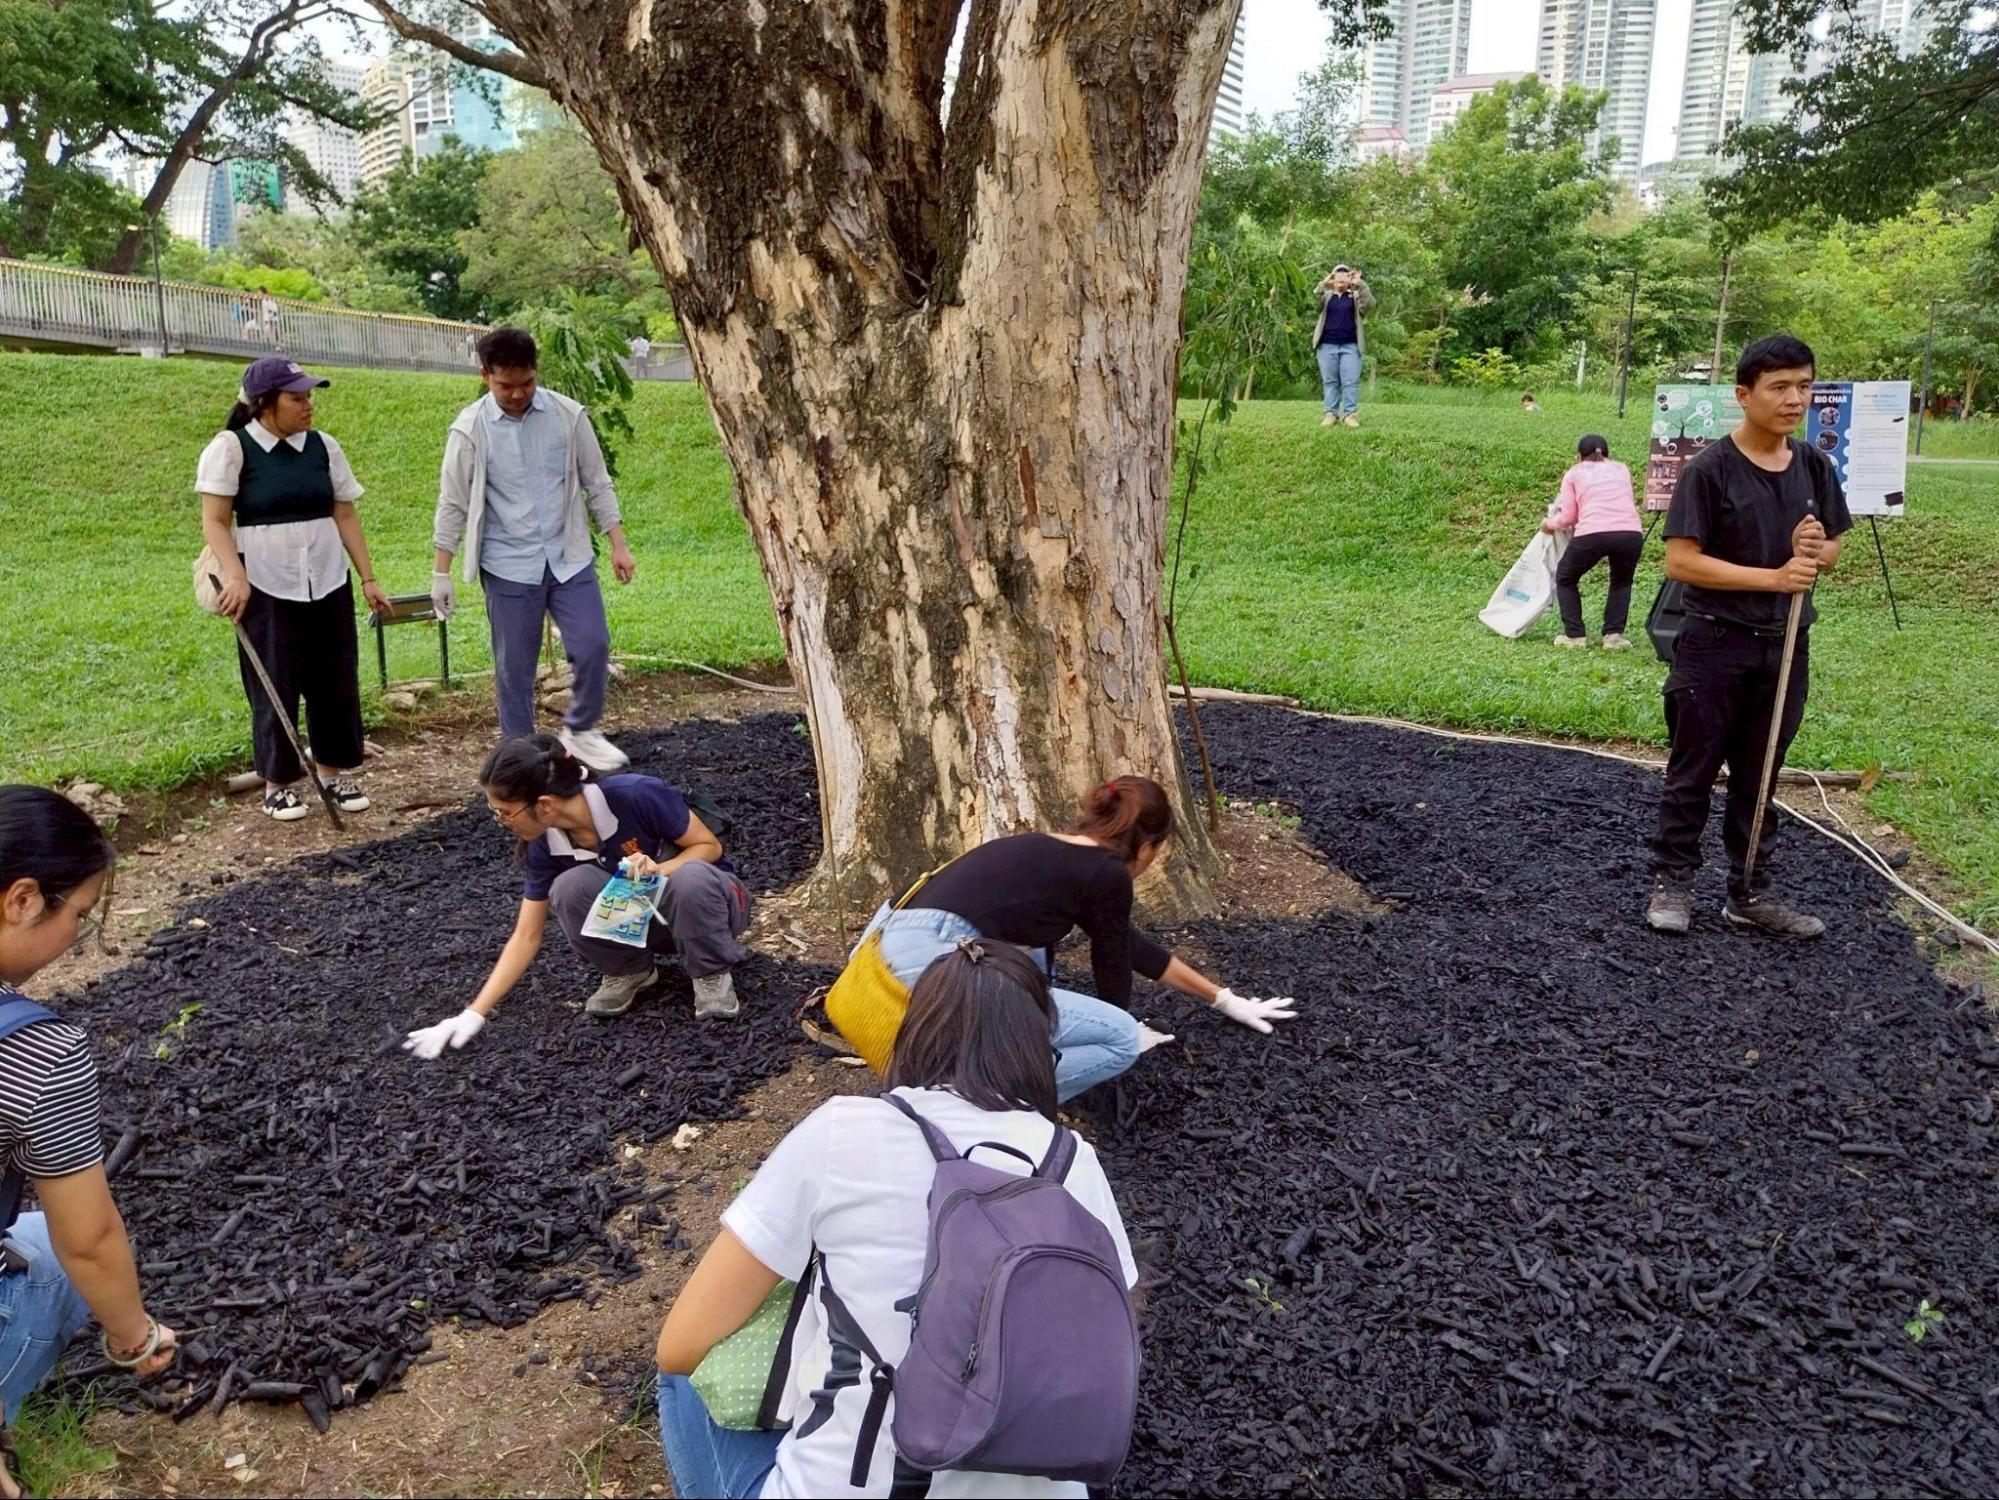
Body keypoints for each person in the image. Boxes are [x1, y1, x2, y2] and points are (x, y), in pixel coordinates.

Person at [654, 941, 1139, 1499]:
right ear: (1038, 1048)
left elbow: (681, 1346)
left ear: (911, 1036)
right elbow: (1112, 1330)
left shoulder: (842, 1131)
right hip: (1049, 1472)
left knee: (679, 1379)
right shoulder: (1073, 1158)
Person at [849, 776, 1296, 1101]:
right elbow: (1113, 966)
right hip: (930, 958)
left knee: (1037, 960)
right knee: (1116, 1040)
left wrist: (1222, 998)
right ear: (1147, 846)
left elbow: (1129, 944)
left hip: (884, 943)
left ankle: (964, 1070)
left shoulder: (1048, 851)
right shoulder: (1107, 874)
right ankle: (981, 1104)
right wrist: (1127, 1025)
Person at [0, 787, 177, 1493]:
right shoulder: (36, 1049)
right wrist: (135, 1338)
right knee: (60, 1267)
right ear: (20, 899)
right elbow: (91, 1240)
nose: (76, 935)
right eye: (78, 914)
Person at [1648, 334, 1850, 940]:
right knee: (1695, 766)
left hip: (1785, 643)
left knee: (1762, 771)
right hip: (1715, 641)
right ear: (1744, 395)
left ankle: (1749, 892)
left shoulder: (1814, 464)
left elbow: (1832, 545)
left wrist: (1818, 554)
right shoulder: (1709, 471)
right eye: (1780, 387)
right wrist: (1775, 576)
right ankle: (1674, 882)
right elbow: (1681, 563)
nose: (1795, 399)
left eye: (1805, 386)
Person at [403, 735, 752, 1058]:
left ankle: (710, 973)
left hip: (712, 907)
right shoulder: (545, 842)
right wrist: (473, 1013)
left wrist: (661, 868)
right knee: (569, 887)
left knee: (689, 878)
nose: (502, 821)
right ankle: (630, 970)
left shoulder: (635, 795)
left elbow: (709, 846)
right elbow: (526, 935)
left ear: (544, 804)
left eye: (505, 812)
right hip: (650, 920)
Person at [431, 327, 639, 774]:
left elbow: (596, 482)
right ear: (485, 375)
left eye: (526, 382)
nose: (518, 394)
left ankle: (580, 730)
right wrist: (440, 571)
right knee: (514, 670)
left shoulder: (568, 415)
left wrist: (618, 544)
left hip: (569, 556)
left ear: (535, 370)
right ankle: (522, 757)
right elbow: (452, 502)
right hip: (508, 564)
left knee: (593, 644)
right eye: (505, 385)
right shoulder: (469, 430)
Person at [197, 357, 389, 822]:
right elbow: (216, 521)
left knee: (336, 678)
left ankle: (333, 771)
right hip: (265, 583)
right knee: (275, 681)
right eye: (296, 398)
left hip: (326, 577)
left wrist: (367, 577)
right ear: (266, 403)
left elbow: (345, 514)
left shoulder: (324, 447)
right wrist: (235, 575)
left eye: (308, 396)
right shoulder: (233, 448)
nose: (308, 406)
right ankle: (278, 782)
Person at [1543, 433, 1644, 649]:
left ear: (1578, 456)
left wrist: (1549, 524)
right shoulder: (1621, 469)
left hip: (1593, 532)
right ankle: (1613, 637)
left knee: (1566, 577)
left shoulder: (1574, 473)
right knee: (1621, 581)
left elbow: (1569, 516)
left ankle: (1575, 635)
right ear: (1607, 454)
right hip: (1630, 532)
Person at [1312, 264, 1374, 429]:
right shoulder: (1326, 297)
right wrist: (1324, 283)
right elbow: (1313, 301)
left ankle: (1349, 414)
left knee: (1350, 382)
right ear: (1333, 279)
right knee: (1330, 381)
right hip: (1326, 346)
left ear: (1349, 279)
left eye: (1345, 275)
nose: (1341, 278)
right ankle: (1330, 414)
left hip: (1351, 346)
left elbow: (1369, 304)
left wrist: (1360, 284)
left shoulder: (1354, 296)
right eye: (1337, 275)